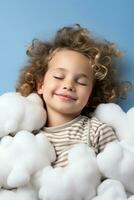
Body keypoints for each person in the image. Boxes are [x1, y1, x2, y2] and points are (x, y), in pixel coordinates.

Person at [16, 24, 131, 167]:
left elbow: (117, 177)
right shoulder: (26, 133)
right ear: (40, 85)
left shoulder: (97, 132)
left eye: (81, 82)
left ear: (91, 96)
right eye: (59, 77)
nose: (69, 85)